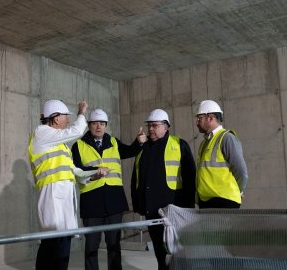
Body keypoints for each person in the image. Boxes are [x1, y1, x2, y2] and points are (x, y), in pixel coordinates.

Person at [71, 108, 147, 270]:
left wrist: (139, 142)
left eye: (102, 124)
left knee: (114, 244)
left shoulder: (113, 141)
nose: (99, 127)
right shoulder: (78, 146)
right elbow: (76, 170)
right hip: (92, 201)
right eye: (95, 123)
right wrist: (94, 172)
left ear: (106, 126)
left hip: (114, 201)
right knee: (91, 245)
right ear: (89, 125)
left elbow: (129, 151)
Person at [131, 109, 196, 270]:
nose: (150, 129)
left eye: (155, 125)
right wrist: (138, 205)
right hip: (151, 210)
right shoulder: (143, 148)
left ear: (166, 127)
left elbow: (190, 177)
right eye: (149, 126)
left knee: (178, 251)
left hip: (174, 210)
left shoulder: (179, 145)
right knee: (160, 252)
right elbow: (136, 179)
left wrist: (188, 208)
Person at [28, 99, 89, 270]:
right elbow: (77, 130)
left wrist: (93, 174)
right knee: (51, 246)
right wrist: (81, 113)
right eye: (65, 117)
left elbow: (73, 170)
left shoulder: (61, 145)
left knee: (63, 245)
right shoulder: (41, 133)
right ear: (55, 118)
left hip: (64, 198)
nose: (67, 120)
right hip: (51, 197)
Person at [195, 100, 249, 209]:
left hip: (224, 201)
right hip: (206, 201)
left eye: (199, 118)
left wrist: (239, 190)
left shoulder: (226, 138)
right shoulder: (204, 143)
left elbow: (241, 171)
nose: (197, 122)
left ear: (210, 118)